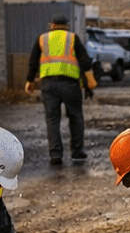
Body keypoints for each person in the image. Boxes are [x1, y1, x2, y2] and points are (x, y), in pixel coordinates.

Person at [25, 13, 94, 165]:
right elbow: (85, 62)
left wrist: (29, 80)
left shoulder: (42, 39)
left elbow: (33, 62)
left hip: (48, 85)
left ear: (52, 25)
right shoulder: (72, 38)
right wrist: (87, 82)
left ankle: (56, 155)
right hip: (70, 85)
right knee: (75, 117)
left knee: (52, 119)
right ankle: (77, 152)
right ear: (66, 25)